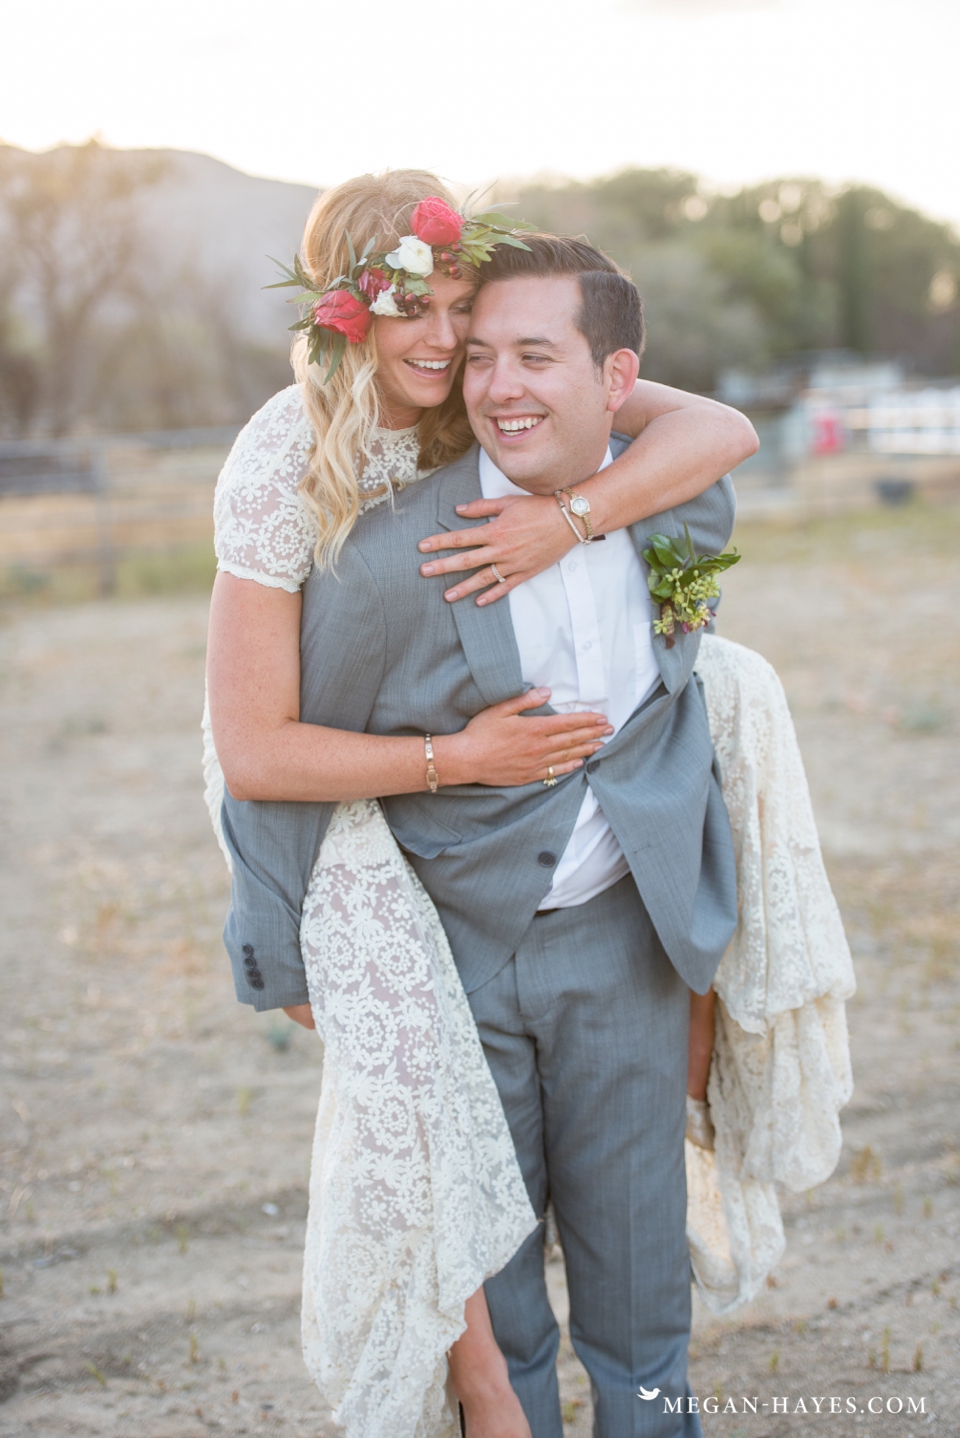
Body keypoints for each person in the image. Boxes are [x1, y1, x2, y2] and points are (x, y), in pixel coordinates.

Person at [205, 172, 758, 1438]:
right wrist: (453, 768)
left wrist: (569, 521)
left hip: (619, 930)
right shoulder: (315, 485)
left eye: (470, 310)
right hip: (427, 904)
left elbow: (711, 430)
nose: (455, 346)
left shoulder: (537, 421)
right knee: (486, 1300)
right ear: (341, 316)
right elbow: (258, 747)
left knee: (641, 1283)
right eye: (418, 310)